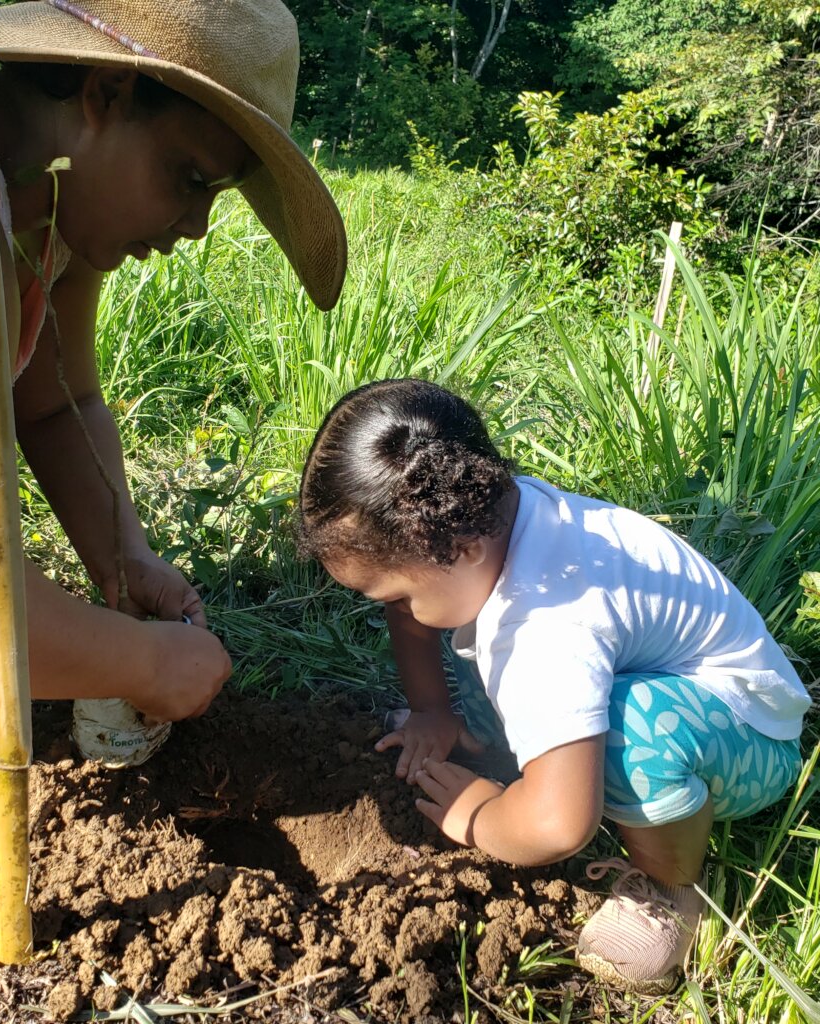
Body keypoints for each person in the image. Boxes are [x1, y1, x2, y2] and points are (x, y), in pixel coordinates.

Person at [0, 0, 347, 824]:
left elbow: (57, 401)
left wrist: (123, 559)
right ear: (103, 98)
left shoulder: (45, 195)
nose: (195, 227)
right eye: (190, 179)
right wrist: (142, 667)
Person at [297, 378, 810, 996]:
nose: (396, 609)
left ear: (461, 545)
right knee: (467, 621)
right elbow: (412, 616)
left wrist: (482, 816)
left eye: (395, 593)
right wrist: (432, 711)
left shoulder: (548, 625)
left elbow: (562, 826)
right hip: (637, 672)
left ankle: (672, 894)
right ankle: (507, 738)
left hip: (744, 735)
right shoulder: (491, 523)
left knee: (629, 730)